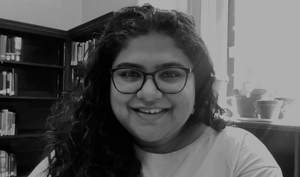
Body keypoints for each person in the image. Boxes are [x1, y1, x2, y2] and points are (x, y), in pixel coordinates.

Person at [29, 4, 282, 177]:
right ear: (106, 88)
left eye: (170, 74)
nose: (149, 93)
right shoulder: (77, 151)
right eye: (129, 74)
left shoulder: (240, 157)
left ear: (199, 86)